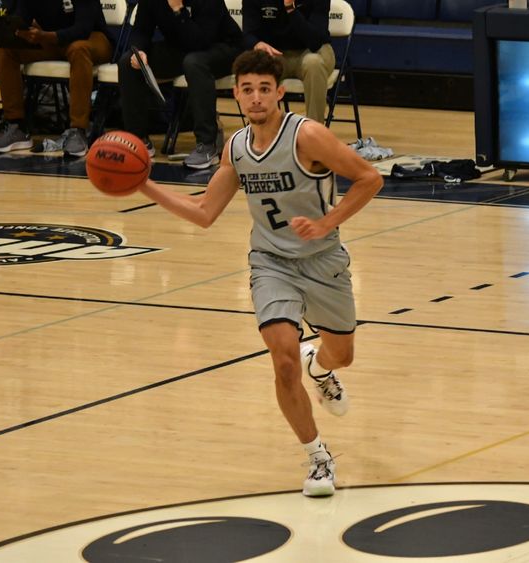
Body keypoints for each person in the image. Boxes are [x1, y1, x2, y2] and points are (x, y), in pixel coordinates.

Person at [137, 49, 382, 496]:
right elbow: (204, 212)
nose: (255, 98)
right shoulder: (235, 147)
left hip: (323, 259)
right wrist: (145, 184)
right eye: (246, 90)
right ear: (235, 94)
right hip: (271, 263)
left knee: (341, 354)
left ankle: (322, 369)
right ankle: (318, 459)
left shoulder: (307, 135)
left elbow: (370, 178)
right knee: (283, 359)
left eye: (264, 89)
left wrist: (327, 223)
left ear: (279, 93)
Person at [118, 0, 242, 169]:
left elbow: (200, 42)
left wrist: (178, 10)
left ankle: (207, 144)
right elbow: (141, 30)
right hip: (182, 47)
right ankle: (138, 139)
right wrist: (140, 51)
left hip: (223, 48)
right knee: (128, 62)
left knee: (194, 63)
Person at [0, 0, 113, 156]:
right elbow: (22, 18)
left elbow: (83, 29)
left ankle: (78, 129)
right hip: (51, 39)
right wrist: (15, 29)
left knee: (79, 48)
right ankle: (16, 126)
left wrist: (46, 36)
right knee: (6, 49)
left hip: (92, 38)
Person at [242, 0, 334, 123]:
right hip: (276, 53)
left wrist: (291, 9)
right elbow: (248, 34)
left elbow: (315, 40)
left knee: (313, 63)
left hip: (312, 51)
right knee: (261, 63)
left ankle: (315, 130)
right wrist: (256, 43)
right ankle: (261, 130)